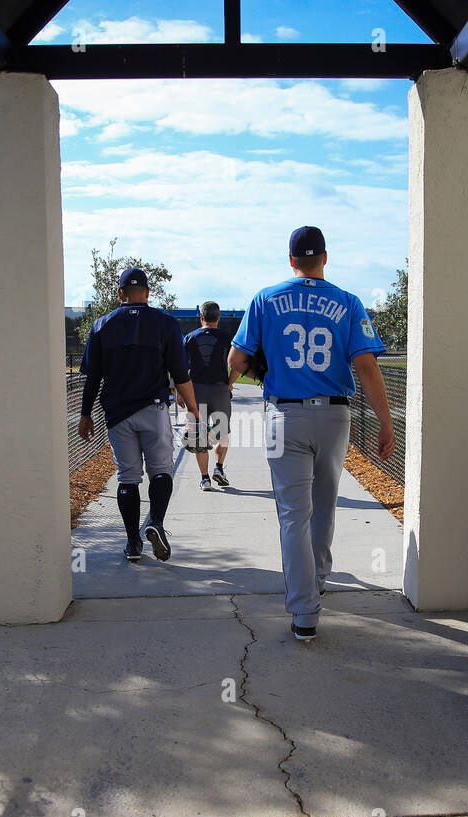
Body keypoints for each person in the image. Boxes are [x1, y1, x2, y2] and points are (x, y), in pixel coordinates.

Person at [229, 227, 395, 640]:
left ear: (290, 260)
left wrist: (254, 374)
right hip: (334, 415)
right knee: (325, 504)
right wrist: (386, 422)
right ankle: (319, 578)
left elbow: (235, 357)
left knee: (292, 515)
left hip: (283, 415)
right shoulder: (348, 301)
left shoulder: (265, 299)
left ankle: (305, 612)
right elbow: (368, 366)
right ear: (325, 257)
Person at [79, 268, 200, 562]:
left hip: (118, 413)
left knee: (128, 477)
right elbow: (180, 373)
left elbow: (93, 377)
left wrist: (85, 414)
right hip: (153, 407)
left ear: (120, 294)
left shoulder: (101, 326)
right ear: (146, 293)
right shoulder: (165, 323)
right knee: (161, 470)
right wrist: (193, 407)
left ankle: (133, 543)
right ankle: (155, 522)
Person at [181, 301, 238, 491]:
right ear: (219, 318)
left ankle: (205, 478)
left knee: (198, 437)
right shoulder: (226, 338)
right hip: (220, 389)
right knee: (222, 433)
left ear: (201, 317)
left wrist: (180, 393)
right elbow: (238, 363)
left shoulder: (189, 338)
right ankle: (219, 468)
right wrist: (230, 383)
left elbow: (180, 367)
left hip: (196, 391)